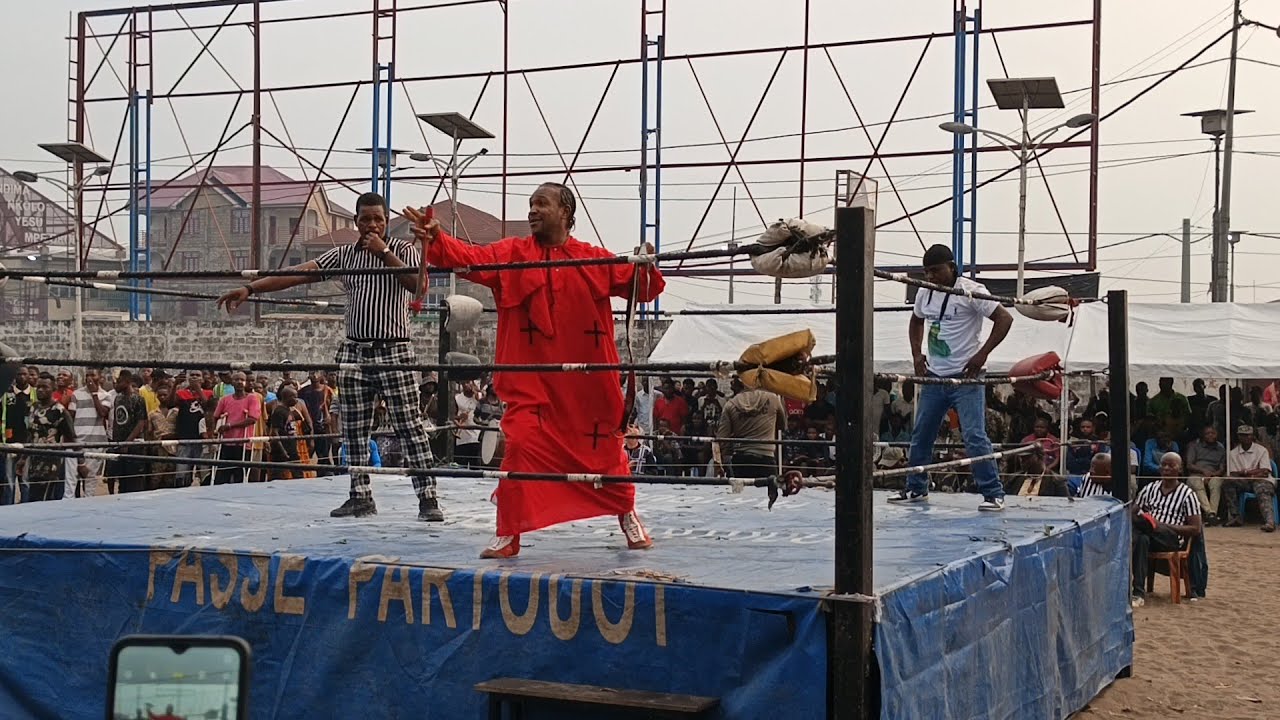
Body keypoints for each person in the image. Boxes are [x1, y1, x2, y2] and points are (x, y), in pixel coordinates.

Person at [411, 182, 664, 558]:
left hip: (586, 387)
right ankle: (508, 533)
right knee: (521, 449)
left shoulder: (591, 257)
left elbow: (643, 288)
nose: (532, 211)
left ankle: (626, 514)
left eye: (541, 204)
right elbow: (470, 258)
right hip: (532, 386)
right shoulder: (512, 254)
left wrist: (645, 261)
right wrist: (438, 238)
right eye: (530, 204)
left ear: (565, 212)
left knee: (605, 454)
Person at [218, 192, 443, 522]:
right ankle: (360, 495)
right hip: (354, 349)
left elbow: (418, 286)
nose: (372, 225)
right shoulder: (344, 255)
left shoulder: (404, 250)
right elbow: (299, 272)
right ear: (356, 222)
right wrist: (252, 289)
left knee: (409, 426)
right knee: (353, 429)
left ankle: (428, 499)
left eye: (378, 219)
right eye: (365, 219)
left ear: (385, 222)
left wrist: (383, 253)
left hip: (394, 349)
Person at [889, 244, 1013, 511]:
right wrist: (916, 354)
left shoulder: (972, 291)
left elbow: (1004, 319)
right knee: (922, 433)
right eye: (926, 272)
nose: (930, 276)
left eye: (935, 271)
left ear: (951, 267)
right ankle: (916, 488)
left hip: (967, 376)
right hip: (935, 375)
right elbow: (916, 320)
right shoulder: (925, 292)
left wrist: (982, 354)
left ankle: (993, 493)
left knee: (974, 435)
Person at [1130, 452, 1201, 607]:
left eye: (1171, 465)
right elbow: (1133, 511)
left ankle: (1131, 543)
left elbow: (1195, 528)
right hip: (1150, 536)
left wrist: (1163, 525)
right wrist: (1147, 521)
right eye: (1164, 465)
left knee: (1143, 530)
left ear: (1180, 469)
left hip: (1172, 538)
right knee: (1142, 538)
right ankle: (1138, 593)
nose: (1167, 468)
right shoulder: (1150, 488)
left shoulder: (1187, 494)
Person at [714, 385, 787, 481]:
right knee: (768, 492)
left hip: (741, 458)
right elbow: (782, 426)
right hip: (766, 456)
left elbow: (722, 438)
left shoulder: (731, 404)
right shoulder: (773, 398)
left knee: (741, 493)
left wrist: (725, 460)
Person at [23, 374, 76, 502]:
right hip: (33, 464)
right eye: (38, 387)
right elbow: (31, 434)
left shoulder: (59, 411)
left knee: (43, 501)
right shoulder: (34, 407)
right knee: (33, 499)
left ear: (53, 388)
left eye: (45, 387)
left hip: (51, 465)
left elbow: (71, 437)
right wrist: (23, 458)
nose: (40, 390)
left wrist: (81, 463)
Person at [1222, 425, 1275, 531]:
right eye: (1242, 435)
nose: (1245, 438)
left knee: (1262, 489)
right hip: (1245, 481)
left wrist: (1246, 472)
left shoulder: (1262, 450)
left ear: (1252, 436)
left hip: (1261, 480)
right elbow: (1234, 474)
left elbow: (1265, 471)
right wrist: (1253, 473)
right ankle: (1235, 516)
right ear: (1238, 436)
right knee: (1228, 482)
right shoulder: (1233, 453)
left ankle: (1269, 522)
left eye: (1247, 435)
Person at [106, 370, 148, 494]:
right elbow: (116, 421)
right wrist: (115, 442)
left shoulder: (138, 399)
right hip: (118, 443)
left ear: (127, 382)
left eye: (119, 382)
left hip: (133, 445)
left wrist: (127, 443)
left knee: (133, 481)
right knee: (120, 479)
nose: (116, 385)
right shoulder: (118, 398)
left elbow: (141, 423)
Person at [173, 372, 213, 488]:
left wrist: (198, 389)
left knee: (204, 472)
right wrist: (176, 384)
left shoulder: (208, 393)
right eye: (192, 375)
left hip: (202, 439)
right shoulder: (181, 393)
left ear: (202, 379)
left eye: (197, 375)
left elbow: (208, 406)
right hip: (185, 437)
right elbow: (170, 403)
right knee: (182, 472)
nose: (194, 377)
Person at [1184, 425, 1227, 525]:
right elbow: (1189, 465)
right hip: (1196, 474)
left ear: (1217, 435)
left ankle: (1212, 514)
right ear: (1203, 435)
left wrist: (1211, 475)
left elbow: (1221, 468)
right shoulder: (1194, 445)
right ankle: (1210, 513)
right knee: (1196, 483)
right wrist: (1203, 471)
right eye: (1208, 433)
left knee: (1216, 483)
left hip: (1213, 475)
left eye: (1213, 433)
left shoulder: (1221, 448)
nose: (1211, 435)